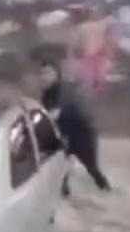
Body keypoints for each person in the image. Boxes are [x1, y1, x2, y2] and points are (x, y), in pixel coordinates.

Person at [39, 60, 111, 193]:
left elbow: (56, 114)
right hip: (65, 136)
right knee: (59, 168)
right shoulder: (46, 95)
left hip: (83, 134)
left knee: (92, 168)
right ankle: (65, 197)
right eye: (42, 73)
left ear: (56, 73)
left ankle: (107, 191)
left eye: (48, 72)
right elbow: (48, 118)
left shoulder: (64, 90)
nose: (45, 76)